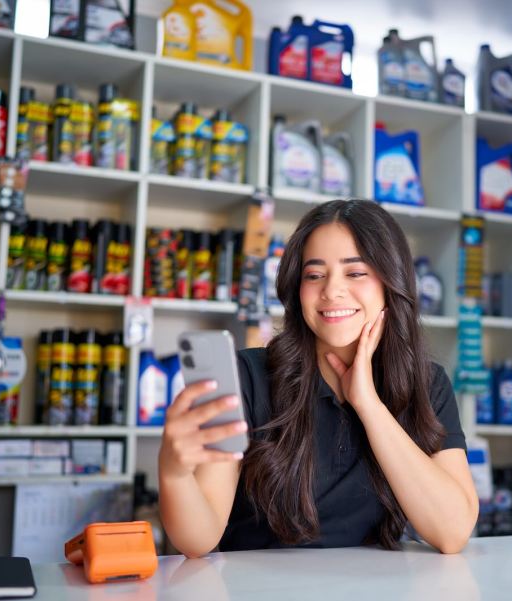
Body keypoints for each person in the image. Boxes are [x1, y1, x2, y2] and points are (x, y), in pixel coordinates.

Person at [159, 199, 478, 556]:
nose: (331, 290)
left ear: (392, 282)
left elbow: (452, 531)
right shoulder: (247, 377)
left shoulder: (428, 384)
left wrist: (368, 404)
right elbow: (197, 540)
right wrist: (174, 473)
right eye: (314, 275)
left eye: (355, 273)